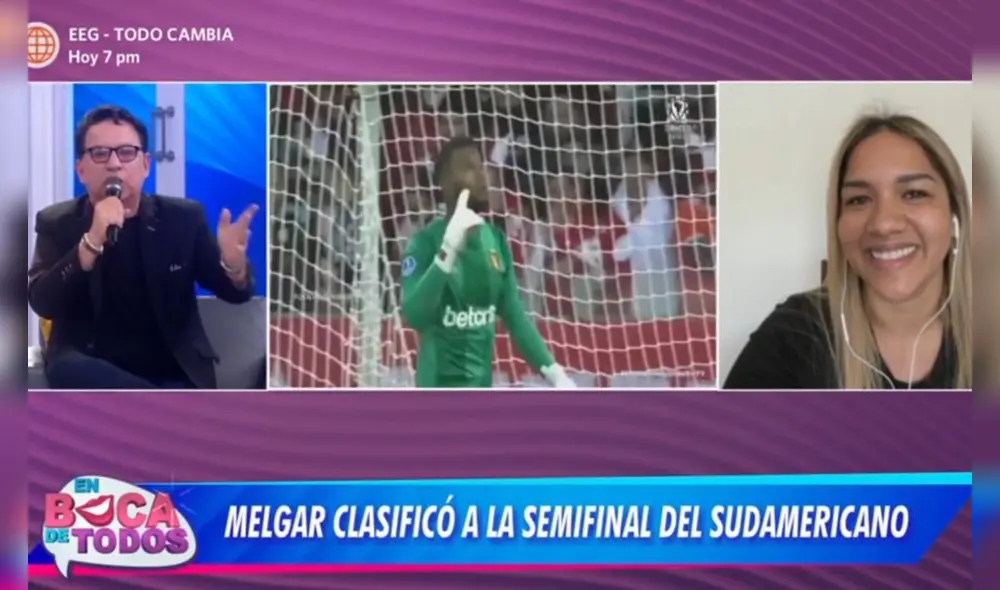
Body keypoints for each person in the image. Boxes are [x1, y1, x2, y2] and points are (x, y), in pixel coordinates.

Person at [725, 113, 972, 390]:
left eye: (914, 194)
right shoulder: (794, 334)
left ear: (955, 216)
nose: (883, 224)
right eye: (858, 199)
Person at [28, 105, 259, 390]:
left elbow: (235, 293)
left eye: (126, 152)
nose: (114, 164)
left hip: (171, 369)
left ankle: (149, 410)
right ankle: (154, 412)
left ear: (146, 165)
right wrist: (90, 242)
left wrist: (234, 266)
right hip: (91, 369)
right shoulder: (57, 222)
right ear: (81, 170)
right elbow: (42, 301)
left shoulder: (182, 219)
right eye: (100, 153)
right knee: (68, 368)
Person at [399, 136, 576, 388]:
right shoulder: (424, 243)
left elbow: (515, 317)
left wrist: (555, 373)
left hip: (481, 401)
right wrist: (447, 253)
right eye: (470, 168)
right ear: (445, 184)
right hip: (434, 401)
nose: (483, 176)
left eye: (482, 166)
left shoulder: (496, 241)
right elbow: (414, 315)